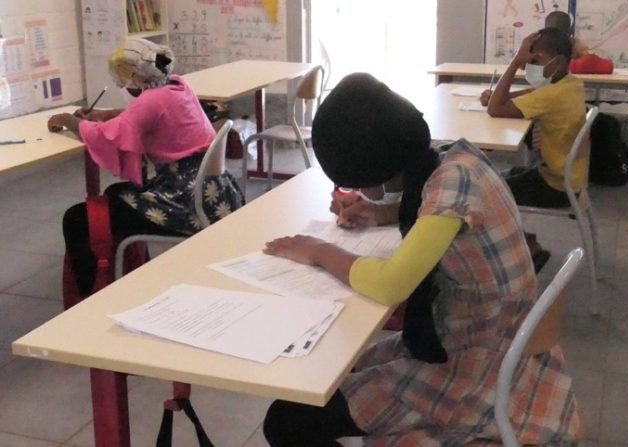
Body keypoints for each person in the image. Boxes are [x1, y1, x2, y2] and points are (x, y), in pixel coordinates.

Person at [261, 73, 580, 446]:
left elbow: (390, 284)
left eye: (357, 181)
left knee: (288, 420)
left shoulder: (450, 187)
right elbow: (443, 220)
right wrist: (382, 211)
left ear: (374, 166)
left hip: (473, 365)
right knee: (328, 373)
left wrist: (319, 251)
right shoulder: (457, 161)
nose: (359, 191)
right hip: (493, 340)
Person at [50, 38, 243, 297]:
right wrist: (103, 114)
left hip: (185, 202)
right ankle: (128, 268)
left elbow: (106, 135)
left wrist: (68, 120)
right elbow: (137, 115)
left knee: (77, 218)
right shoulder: (177, 85)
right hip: (215, 193)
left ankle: (88, 295)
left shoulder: (150, 102)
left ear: (134, 74)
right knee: (115, 193)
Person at [480, 27, 587, 270]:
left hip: (555, 186)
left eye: (535, 59)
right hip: (567, 178)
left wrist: (515, 61)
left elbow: (496, 110)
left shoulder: (552, 96)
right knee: (501, 178)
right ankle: (524, 242)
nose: (529, 65)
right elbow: (532, 93)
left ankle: (522, 250)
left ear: (558, 61)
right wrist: (501, 95)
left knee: (485, 194)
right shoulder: (570, 84)